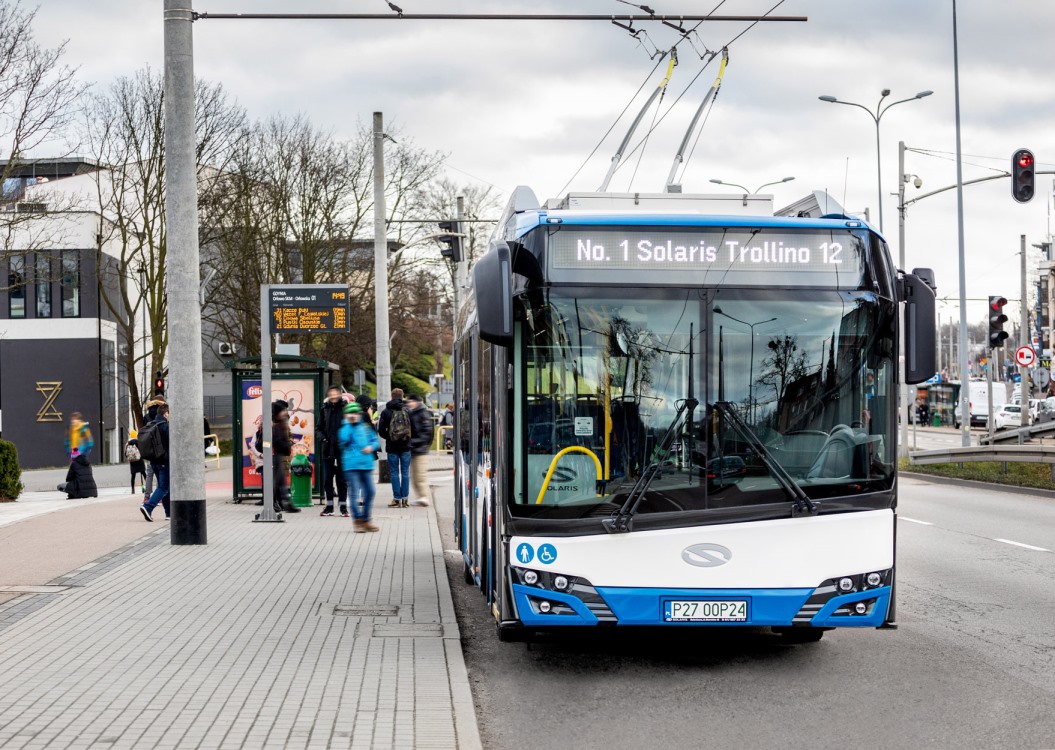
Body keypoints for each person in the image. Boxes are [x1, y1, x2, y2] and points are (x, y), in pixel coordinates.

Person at [339, 402, 380, 532]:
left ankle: (366, 519)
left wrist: (371, 447)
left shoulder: (366, 427)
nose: (354, 416)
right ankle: (357, 521)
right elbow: (343, 441)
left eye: (355, 413)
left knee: (370, 492)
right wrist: (348, 423)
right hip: (351, 466)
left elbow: (375, 442)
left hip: (366, 465)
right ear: (346, 415)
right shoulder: (345, 428)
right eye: (351, 413)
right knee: (355, 493)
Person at [317, 385, 350, 517]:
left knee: (342, 480)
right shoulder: (324, 409)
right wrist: (323, 439)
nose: (334, 395)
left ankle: (343, 507)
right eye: (331, 393)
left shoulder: (346, 409)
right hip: (328, 450)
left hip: (342, 450)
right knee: (327, 480)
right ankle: (329, 506)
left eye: (336, 393)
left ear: (340, 394)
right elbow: (318, 427)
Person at [377, 388, 412, 508]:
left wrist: (389, 437)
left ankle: (396, 499)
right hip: (406, 446)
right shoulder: (408, 410)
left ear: (391, 397)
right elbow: (415, 429)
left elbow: (380, 429)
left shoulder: (386, 411)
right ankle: (405, 499)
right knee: (406, 472)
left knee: (394, 472)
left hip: (392, 446)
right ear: (402, 396)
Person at [140, 404, 170, 520]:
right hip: (164, 461)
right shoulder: (164, 426)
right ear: (166, 413)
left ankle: (168, 513)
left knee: (166, 487)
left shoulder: (151, 424)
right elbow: (170, 444)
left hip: (154, 461)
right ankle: (148, 507)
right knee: (164, 487)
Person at [271, 399, 300, 514]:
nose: (285, 412)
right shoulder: (276, 425)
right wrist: (289, 443)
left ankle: (282, 503)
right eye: (283, 410)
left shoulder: (281, 423)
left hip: (280, 455)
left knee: (279, 481)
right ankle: (283, 503)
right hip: (277, 456)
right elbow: (278, 442)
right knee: (279, 481)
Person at [405, 394, 433, 506]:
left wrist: (412, 442)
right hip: (413, 450)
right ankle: (420, 497)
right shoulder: (411, 413)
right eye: (409, 402)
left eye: (412, 401)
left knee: (421, 475)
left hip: (421, 450)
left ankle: (424, 497)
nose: (410, 404)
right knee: (414, 476)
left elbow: (427, 433)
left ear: (418, 402)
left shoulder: (423, 414)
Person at [141, 396, 166, 503]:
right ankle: (159, 496)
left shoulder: (146, 416)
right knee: (161, 473)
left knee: (149, 473)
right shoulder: (161, 415)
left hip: (149, 449)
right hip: (160, 448)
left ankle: (147, 496)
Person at [125, 430, 146, 494]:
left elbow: (125, 454)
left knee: (133, 476)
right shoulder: (138, 442)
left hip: (132, 461)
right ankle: (146, 487)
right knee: (144, 474)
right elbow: (142, 450)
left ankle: (133, 489)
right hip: (139, 460)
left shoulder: (128, 443)